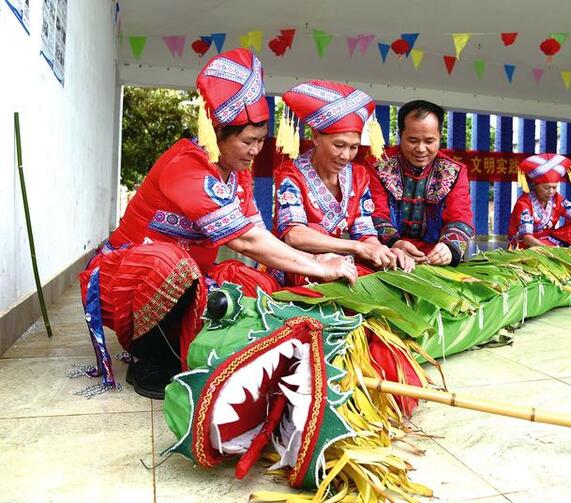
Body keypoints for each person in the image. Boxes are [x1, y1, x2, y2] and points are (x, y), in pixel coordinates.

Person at [78, 49, 357, 399]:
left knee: (252, 279)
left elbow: (259, 234)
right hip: (125, 281)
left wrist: (312, 267)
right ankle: (147, 356)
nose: (256, 150)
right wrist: (319, 265)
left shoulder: (238, 175)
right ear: (217, 133)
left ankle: (185, 347)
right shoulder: (185, 164)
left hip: (187, 282)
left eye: (260, 140)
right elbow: (245, 241)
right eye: (248, 141)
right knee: (171, 263)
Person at [272, 80, 413, 286]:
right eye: (339, 145)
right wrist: (356, 247)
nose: (346, 155)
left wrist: (382, 251)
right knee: (315, 229)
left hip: (339, 265)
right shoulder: (291, 174)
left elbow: (364, 233)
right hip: (297, 268)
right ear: (316, 137)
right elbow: (294, 236)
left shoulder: (358, 176)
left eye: (354, 147)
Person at [366, 100, 475, 266]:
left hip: (435, 260)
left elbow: (460, 215)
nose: (421, 149)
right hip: (387, 257)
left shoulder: (455, 171)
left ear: (439, 137)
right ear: (400, 135)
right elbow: (375, 213)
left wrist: (449, 248)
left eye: (429, 141)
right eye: (413, 140)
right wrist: (393, 243)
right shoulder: (378, 167)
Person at [507, 153, 571, 248]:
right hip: (527, 246)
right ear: (536, 185)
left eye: (554, 187)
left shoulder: (557, 199)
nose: (551, 192)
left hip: (548, 241)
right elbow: (527, 238)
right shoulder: (523, 204)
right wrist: (552, 250)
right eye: (547, 188)